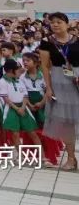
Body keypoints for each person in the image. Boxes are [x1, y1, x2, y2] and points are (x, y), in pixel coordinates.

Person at [38, 11, 79, 171]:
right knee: (66, 123)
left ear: (67, 24)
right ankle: (71, 158)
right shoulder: (46, 42)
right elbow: (45, 67)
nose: (55, 24)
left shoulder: (77, 40)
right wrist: (48, 88)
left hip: (76, 80)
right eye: (52, 22)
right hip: (59, 82)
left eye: (59, 21)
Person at [0, 59, 40, 149]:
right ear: (10, 70)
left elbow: (25, 96)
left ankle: (42, 156)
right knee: (15, 134)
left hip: (23, 107)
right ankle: (21, 155)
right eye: (17, 69)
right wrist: (17, 109)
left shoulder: (19, 80)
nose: (20, 71)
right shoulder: (2, 82)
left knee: (32, 132)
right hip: (11, 108)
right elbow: (6, 99)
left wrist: (23, 107)